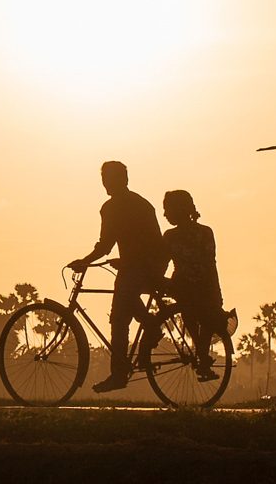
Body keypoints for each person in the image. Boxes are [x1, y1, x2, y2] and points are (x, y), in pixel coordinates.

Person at [68, 161, 167, 393]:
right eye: (105, 179)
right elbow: (116, 243)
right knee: (121, 313)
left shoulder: (121, 207)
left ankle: (120, 373)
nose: (106, 184)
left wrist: (86, 261)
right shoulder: (135, 204)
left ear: (121, 180)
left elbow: (109, 245)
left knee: (120, 317)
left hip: (141, 265)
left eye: (109, 179)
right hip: (143, 264)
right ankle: (148, 329)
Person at [162, 190, 225, 381]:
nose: (165, 214)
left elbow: (162, 262)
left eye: (167, 210)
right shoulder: (205, 232)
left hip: (183, 287)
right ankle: (202, 356)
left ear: (177, 210)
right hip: (205, 287)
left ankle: (202, 356)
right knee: (206, 321)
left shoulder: (170, 236)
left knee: (192, 315)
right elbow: (210, 263)